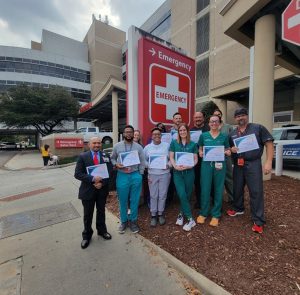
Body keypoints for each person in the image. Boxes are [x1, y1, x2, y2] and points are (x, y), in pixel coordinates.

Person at [227, 108, 274, 234]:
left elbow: (269, 143)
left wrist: (269, 162)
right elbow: (229, 148)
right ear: (235, 119)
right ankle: (238, 208)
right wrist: (232, 150)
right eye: (238, 116)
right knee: (237, 188)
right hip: (238, 164)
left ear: (247, 116)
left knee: (256, 191)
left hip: (253, 163)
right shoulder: (232, 133)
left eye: (242, 115)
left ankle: (258, 220)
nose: (240, 118)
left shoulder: (258, 128)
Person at [74, 137, 113, 249]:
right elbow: (78, 174)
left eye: (98, 143)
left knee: (101, 211)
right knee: (88, 214)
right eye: (94, 143)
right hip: (88, 191)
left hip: (102, 189)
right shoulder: (83, 156)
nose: (97, 145)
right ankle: (86, 236)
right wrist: (92, 179)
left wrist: (102, 183)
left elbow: (110, 171)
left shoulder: (105, 155)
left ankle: (102, 231)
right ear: (89, 144)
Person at [197, 115, 231, 227]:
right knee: (205, 188)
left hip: (219, 166)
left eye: (216, 121)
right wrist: (200, 152)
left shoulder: (224, 136)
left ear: (219, 123)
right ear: (209, 123)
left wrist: (228, 152)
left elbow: (227, 149)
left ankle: (216, 214)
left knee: (218, 188)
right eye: (212, 121)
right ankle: (204, 212)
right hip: (206, 165)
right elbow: (200, 148)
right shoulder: (203, 135)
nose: (214, 123)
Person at [111, 125, 146, 234]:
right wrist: (116, 164)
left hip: (135, 175)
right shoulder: (117, 146)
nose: (129, 134)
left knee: (134, 200)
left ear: (133, 133)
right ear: (123, 134)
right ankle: (124, 221)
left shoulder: (138, 147)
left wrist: (140, 174)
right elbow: (112, 158)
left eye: (131, 132)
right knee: (122, 200)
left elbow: (142, 161)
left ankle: (133, 221)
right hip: (122, 175)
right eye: (127, 132)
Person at [169, 123, 198, 231]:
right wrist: (175, 166)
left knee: (187, 195)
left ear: (187, 131)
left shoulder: (193, 144)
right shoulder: (174, 143)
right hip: (177, 173)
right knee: (181, 194)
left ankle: (181, 213)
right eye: (180, 131)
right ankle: (191, 219)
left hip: (189, 173)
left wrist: (191, 165)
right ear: (178, 132)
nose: (182, 132)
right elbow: (171, 157)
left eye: (184, 130)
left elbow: (195, 159)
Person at [144, 127, 171, 227]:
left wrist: (168, 164)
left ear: (161, 136)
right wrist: (149, 165)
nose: (157, 136)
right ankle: (153, 215)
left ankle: (160, 213)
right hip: (152, 174)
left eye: (158, 134)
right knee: (153, 195)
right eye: (155, 134)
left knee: (163, 195)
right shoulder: (147, 148)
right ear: (152, 136)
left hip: (165, 174)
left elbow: (171, 158)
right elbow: (144, 161)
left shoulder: (167, 146)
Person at [212, 109, 234, 202]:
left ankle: (232, 198)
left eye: (219, 114)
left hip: (226, 156)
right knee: (216, 178)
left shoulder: (228, 127)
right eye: (215, 114)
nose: (217, 116)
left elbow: (232, 140)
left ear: (221, 115)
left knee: (229, 177)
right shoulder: (211, 126)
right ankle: (217, 200)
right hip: (214, 156)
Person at [190, 111, 210, 209]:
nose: (198, 119)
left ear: (203, 118)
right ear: (193, 119)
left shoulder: (209, 128)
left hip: (208, 159)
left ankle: (211, 201)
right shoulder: (191, 131)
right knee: (197, 181)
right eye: (196, 117)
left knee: (209, 180)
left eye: (199, 117)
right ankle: (199, 201)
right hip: (196, 159)